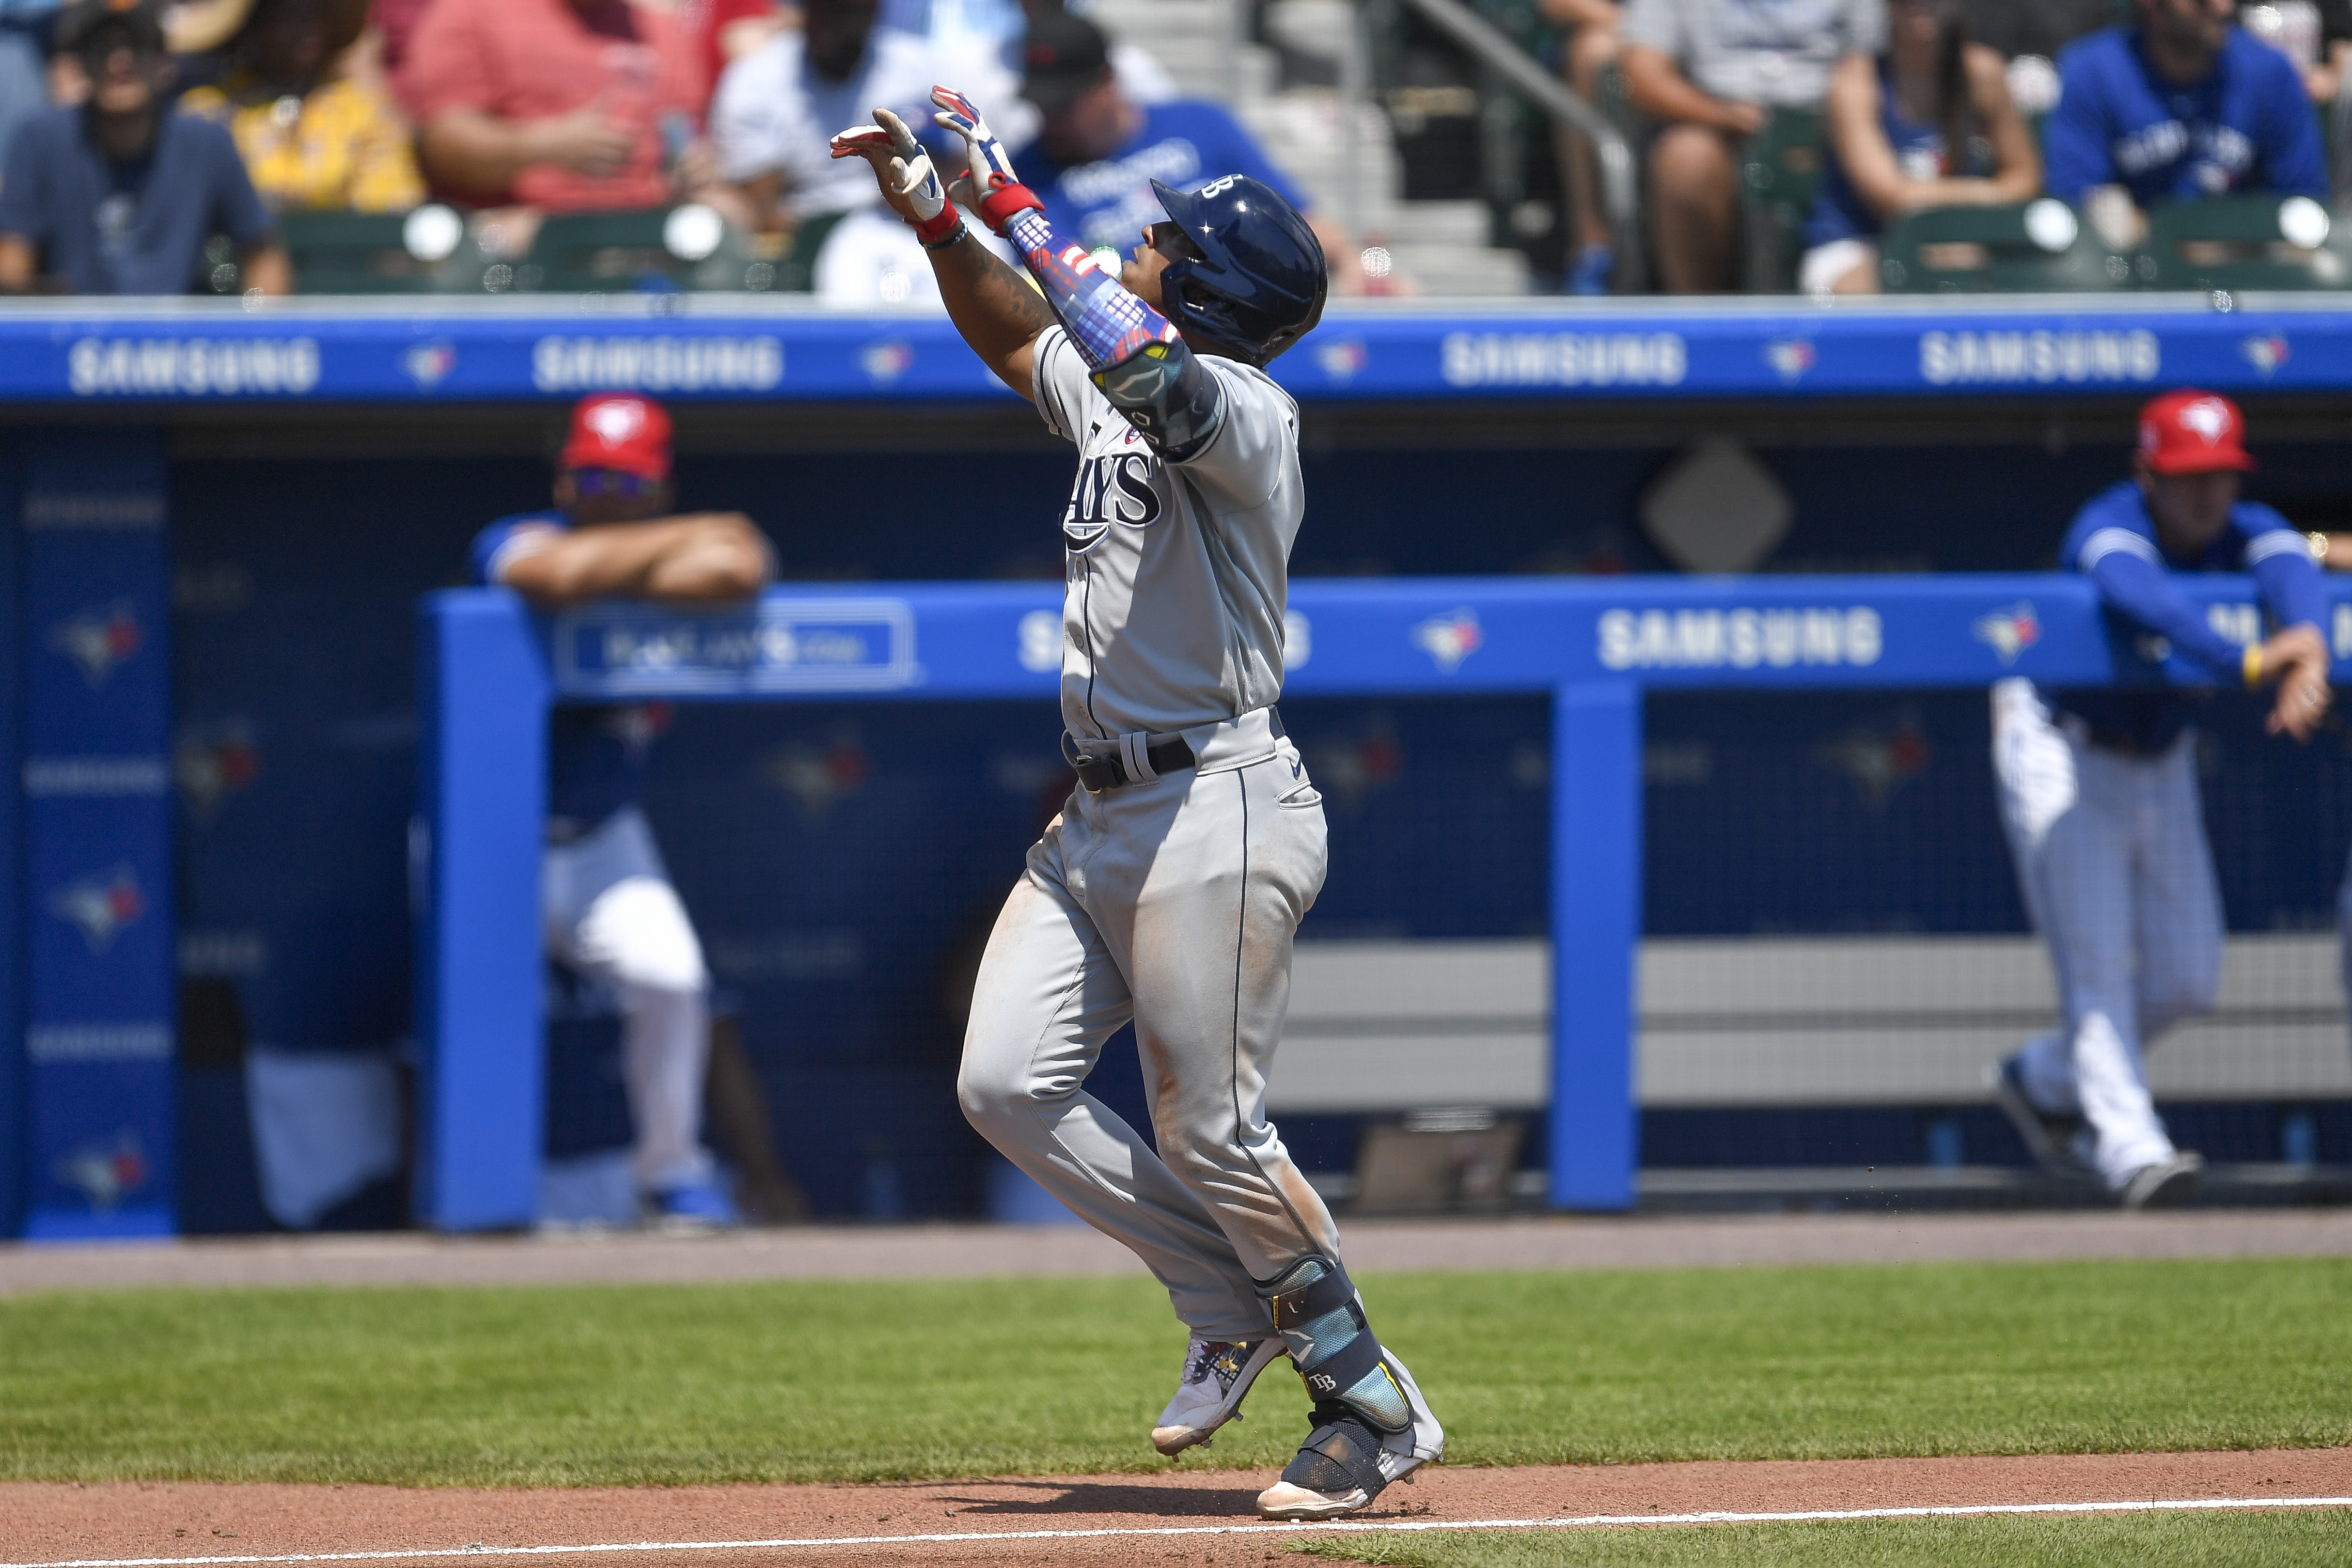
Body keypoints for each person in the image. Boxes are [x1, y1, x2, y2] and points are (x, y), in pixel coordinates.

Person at [831, 86, 1442, 1520]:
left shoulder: (1241, 408)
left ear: (1207, 290)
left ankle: (1368, 1400)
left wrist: (1018, 197)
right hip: (1101, 812)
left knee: (1212, 1126)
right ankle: (1231, 1294)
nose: (1141, 247)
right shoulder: (1113, 381)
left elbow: (1148, 370)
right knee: (1003, 1081)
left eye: (1165, 242)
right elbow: (1018, 335)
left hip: (1215, 801)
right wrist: (939, 210)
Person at [1989, 390, 2332, 1211]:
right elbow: (2129, 588)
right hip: (2058, 747)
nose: (2204, 493)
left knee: (2188, 975)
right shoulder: (2110, 520)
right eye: (2184, 476)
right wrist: (2245, 662)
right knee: (2097, 963)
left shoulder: (2241, 529)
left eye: (2217, 474)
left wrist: (2308, 645)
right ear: (2146, 472)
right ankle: (2131, 1150)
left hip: (2158, 757)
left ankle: (2040, 1075)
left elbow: (2290, 564)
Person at [470, 393, 774, 1231]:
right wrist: (672, 542)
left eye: (628, 483)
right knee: (472, 1012)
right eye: (593, 476)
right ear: (564, 474)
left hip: (605, 836)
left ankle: (671, 1173)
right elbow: (554, 575)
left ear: (659, 486)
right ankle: (465, 1193)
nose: (607, 495)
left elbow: (741, 565)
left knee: (671, 979)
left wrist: (629, 560)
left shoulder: (664, 549)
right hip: (487, 833)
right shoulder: (509, 536)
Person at [1010, 9, 1363, 292]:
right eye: (1043, 106)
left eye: (1065, 106)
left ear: (1107, 82)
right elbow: (1072, 279)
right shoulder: (1028, 173)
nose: (1051, 120)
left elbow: (1301, 221)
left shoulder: (1201, 123)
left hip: (1247, 302)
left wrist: (1357, 265)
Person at [0, 0, 290, 295]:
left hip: (177, 336)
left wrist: (255, 332)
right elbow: (12, 261)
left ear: (165, 63)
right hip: (74, 332)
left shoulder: (208, 143)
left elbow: (264, 257)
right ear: (82, 65)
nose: (120, 61)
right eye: (103, 48)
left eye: (136, 46)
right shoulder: (39, 139)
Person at [1618, 0, 1886, 293]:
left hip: (1833, 131)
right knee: (1686, 157)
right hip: (1717, 126)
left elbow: (1866, 62)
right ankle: (1701, 321)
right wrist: (1722, 115)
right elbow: (1643, 74)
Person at [399, 0, 735, 218]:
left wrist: (695, 167)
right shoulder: (472, 13)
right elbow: (440, 146)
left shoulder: (662, 32)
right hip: (519, 233)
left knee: (728, 215)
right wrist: (544, 148)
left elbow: (685, 135)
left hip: (646, 230)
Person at [1800, 0, 2041, 296]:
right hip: (1857, 244)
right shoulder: (1855, 80)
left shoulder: (1983, 72)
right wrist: (1987, 193)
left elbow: (2025, 179)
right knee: (1874, 285)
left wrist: (1955, 222)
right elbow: (1893, 197)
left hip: (1963, 241)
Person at [2041, 0, 2327, 233]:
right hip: (2133, 279)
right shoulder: (2091, 71)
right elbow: (2076, 201)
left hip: (2246, 271)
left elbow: (2302, 200)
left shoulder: (2271, 72)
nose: (2223, 8)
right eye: (2201, 2)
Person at [712, 0, 941, 243]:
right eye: (820, 8)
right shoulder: (755, 81)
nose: (829, 22)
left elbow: (943, 176)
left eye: (844, 9)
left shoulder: (917, 72)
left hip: (900, 225)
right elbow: (763, 211)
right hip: (801, 237)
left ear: (872, 10)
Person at [172, 0, 424, 214]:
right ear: (253, 27)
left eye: (317, 16)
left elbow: (390, 209)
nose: (310, 29)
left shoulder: (363, 110)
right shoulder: (205, 112)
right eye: (293, 17)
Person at [1540, 0, 1623, 295]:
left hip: (1716, 56)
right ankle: (1592, 242)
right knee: (1592, 49)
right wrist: (1649, 34)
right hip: (1631, 36)